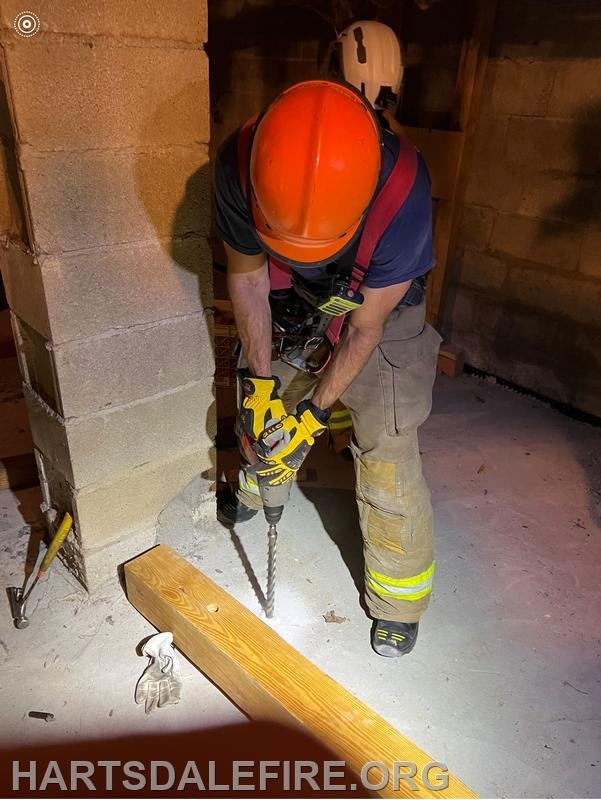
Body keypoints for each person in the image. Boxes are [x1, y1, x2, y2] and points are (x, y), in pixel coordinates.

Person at [213, 78, 441, 657]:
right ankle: (257, 482)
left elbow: (364, 329)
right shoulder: (239, 166)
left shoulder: (404, 193)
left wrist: (314, 418)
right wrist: (261, 388)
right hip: (288, 302)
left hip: (378, 310)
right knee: (263, 416)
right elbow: (247, 277)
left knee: (387, 443)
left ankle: (398, 599)